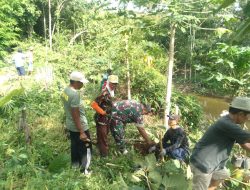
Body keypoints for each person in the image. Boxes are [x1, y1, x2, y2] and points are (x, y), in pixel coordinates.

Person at [190, 97, 250, 190]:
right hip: (203, 164)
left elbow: (244, 143)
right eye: (248, 116)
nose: (248, 119)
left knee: (224, 174)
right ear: (241, 114)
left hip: (215, 164)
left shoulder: (230, 123)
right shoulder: (227, 125)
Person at [61, 71, 91, 174]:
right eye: (81, 82)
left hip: (71, 125)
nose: (83, 84)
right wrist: (82, 132)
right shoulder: (74, 95)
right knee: (85, 148)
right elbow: (75, 114)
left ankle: (75, 165)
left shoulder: (65, 91)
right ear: (75, 82)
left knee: (75, 145)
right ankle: (85, 171)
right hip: (79, 126)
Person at [91, 74, 118, 157]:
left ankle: (100, 150)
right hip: (101, 119)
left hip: (107, 118)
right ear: (108, 83)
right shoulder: (104, 92)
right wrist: (102, 112)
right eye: (112, 83)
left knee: (104, 135)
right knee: (103, 137)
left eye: (116, 84)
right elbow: (93, 104)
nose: (114, 85)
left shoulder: (111, 91)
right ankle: (104, 156)